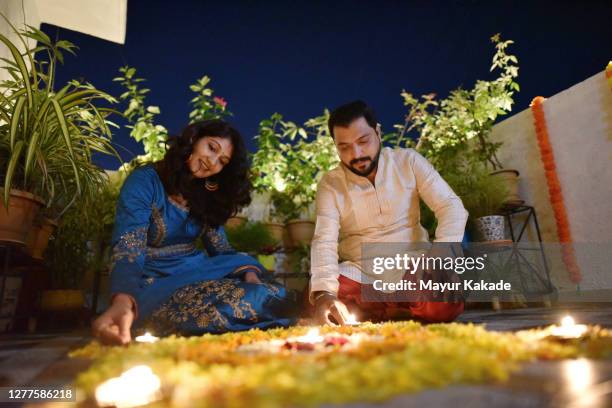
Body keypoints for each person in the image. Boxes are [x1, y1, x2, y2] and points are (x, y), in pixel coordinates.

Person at [92, 120, 296, 345]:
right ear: (193, 139)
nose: (212, 161)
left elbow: (221, 249)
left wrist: (248, 272)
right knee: (218, 309)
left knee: (272, 293)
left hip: (196, 272)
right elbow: (128, 247)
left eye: (222, 161)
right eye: (212, 147)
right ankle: (131, 314)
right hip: (152, 280)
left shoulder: (207, 194)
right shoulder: (145, 180)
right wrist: (122, 299)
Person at [309, 101, 468, 325]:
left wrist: (441, 254)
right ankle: (396, 310)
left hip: (413, 266)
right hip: (361, 272)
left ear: (378, 132)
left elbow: (450, 206)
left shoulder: (408, 161)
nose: (356, 153)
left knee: (442, 303)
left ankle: (382, 311)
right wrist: (325, 293)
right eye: (344, 147)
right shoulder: (330, 184)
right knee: (322, 299)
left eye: (363, 141)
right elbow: (324, 239)